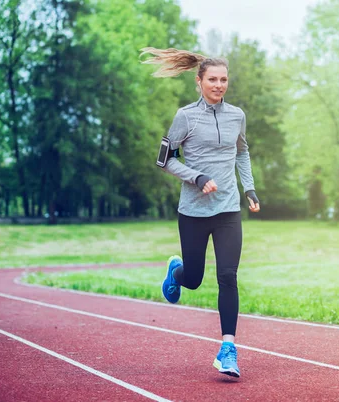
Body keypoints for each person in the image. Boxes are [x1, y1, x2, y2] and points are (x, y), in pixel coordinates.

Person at [140, 47, 260, 378]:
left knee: (227, 276)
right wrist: (197, 177)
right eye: (212, 79)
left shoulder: (237, 115)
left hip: (227, 210)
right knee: (194, 279)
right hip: (193, 212)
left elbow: (242, 152)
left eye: (223, 79)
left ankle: (228, 349)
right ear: (199, 81)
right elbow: (164, 159)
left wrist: (248, 188)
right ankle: (177, 272)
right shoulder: (185, 117)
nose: (219, 85)